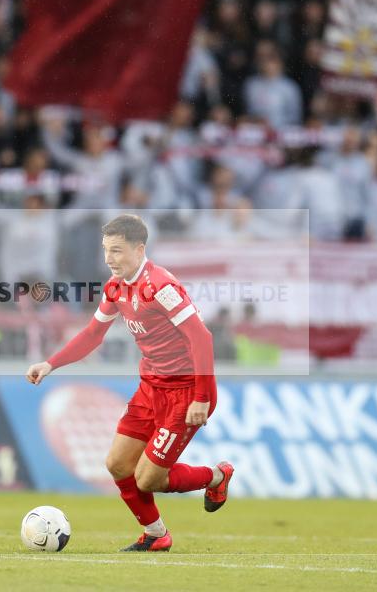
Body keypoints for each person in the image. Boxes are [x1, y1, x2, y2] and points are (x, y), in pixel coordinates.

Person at [25, 214, 233, 553]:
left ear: (139, 249)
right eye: (106, 250)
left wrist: (200, 398)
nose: (109, 259)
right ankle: (156, 534)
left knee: (149, 478)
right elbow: (93, 334)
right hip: (151, 388)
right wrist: (51, 363)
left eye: (117, 251)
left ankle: (216, 477)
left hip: (185, 393)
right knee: (117, 464)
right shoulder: (115, 287)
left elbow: (202, 338)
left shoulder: (160, 287)